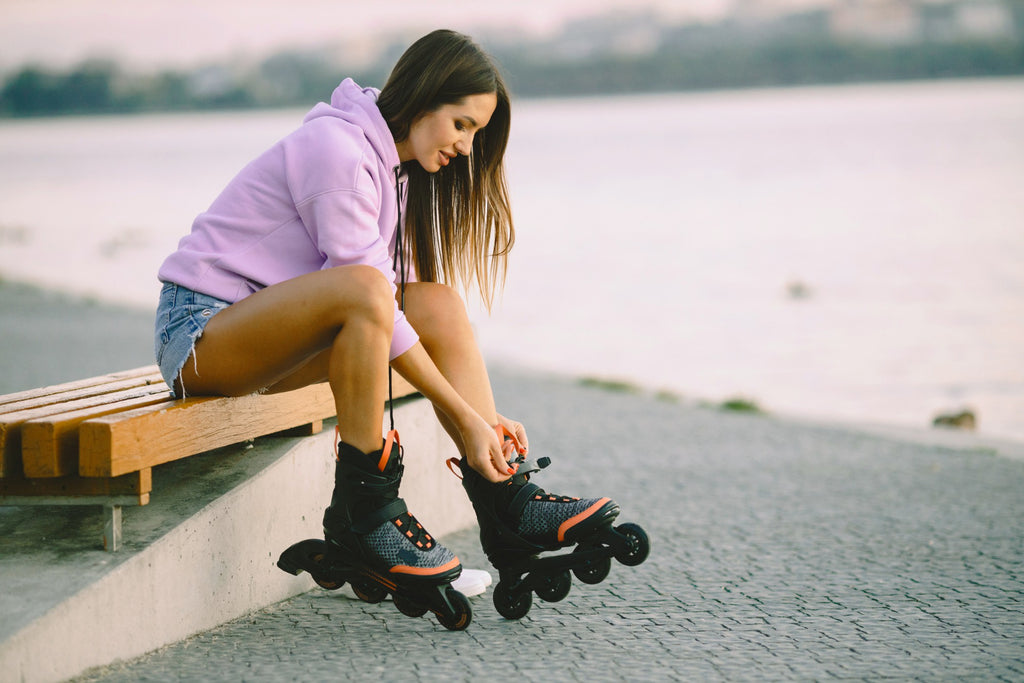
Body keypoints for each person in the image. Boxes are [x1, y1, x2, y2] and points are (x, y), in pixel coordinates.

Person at [154, 29, 629, 624]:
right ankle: (367, 516)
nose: (466, 145)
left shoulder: (390, 169)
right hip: (201, 336)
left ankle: (505, 500)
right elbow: (368, 295)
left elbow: (399, 312)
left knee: (438, 304)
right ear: (424, 97)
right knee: (366, 287)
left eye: (476, 133)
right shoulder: (337, 149)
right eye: (461, 124)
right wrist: (459, 412)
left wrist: (483, 422)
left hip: (269, 338)